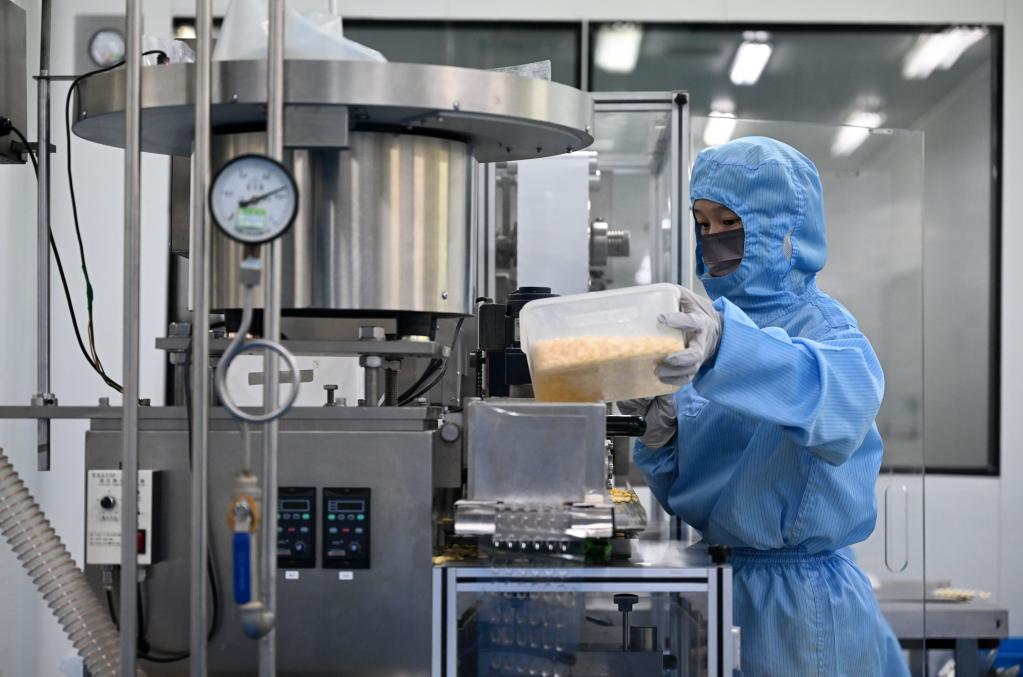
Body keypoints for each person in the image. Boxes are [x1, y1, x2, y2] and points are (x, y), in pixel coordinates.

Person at [620, 136, 909, 676]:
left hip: (800, 605)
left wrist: (727, 348)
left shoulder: (825, 329)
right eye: (702, 223)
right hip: (720, 584)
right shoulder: (709, 329)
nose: (713, 237)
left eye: (730, 222)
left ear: (784, 229)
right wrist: (660, 439)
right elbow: (694, 489)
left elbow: (837, 406)